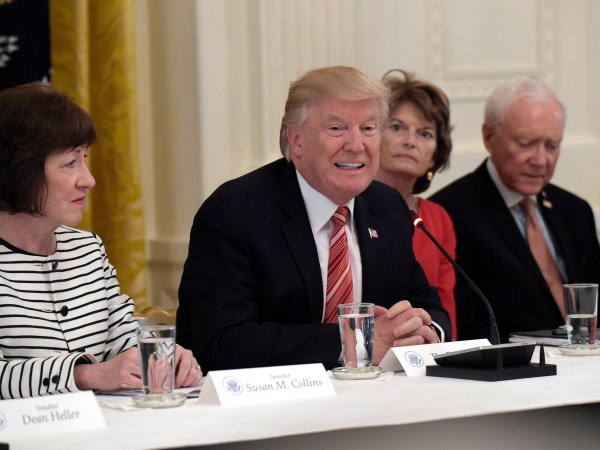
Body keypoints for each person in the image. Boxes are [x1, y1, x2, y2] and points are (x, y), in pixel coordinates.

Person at [177, 66, 451, 372]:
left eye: (369, 128)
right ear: (296, 141)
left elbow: (427, 307)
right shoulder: (234, 213)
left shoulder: (386, 207)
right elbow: (222, 342)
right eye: (336, 129)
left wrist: (427, 335)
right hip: (266, 407)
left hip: (374, 399)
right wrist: (354, 342)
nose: (356, 144)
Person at [0, 82, 202, 399]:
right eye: (70, 163)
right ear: (18, 172)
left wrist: (163, 357)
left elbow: (121, 335)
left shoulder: (88, 249)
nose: (89, 180)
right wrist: (86, 374)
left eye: (85, 158)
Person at [430, 75, 600, 342]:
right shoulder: (451, 212)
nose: (541, 160)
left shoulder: (575, 210)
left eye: (552, 145)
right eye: (526, 143)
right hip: (512, 370)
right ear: (489, 136)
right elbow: (466, 325)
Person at [375, 69, 457, 340]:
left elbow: (445, 310)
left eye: (424, 134)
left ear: (434, 157)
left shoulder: (438, 217)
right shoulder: (348, 208)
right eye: (397, 127)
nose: (410, 141)